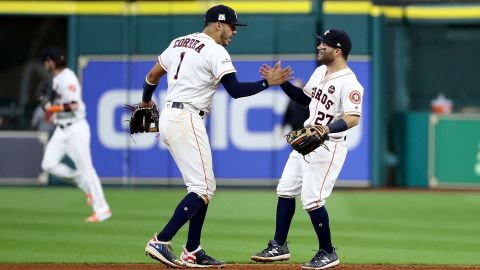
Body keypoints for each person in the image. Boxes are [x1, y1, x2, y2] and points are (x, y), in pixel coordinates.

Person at [141, 4, 292, 269]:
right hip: (187, 118)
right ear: (218, 24)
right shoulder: (215, 50)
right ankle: (161, 240)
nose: (234, 31)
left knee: (202, 186)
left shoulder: (178, 42)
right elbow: (234, 90)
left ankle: (192, 250)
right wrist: (269, 82)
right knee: (202, 188)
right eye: (232, 26)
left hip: (170, 115)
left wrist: (145, 102)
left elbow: (152, 75)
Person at [251, 29, 364, 270]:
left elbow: (353, 118)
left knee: (312, 200)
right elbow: (305, 99)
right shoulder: (320, 71)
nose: (319, 46)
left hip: (328, 145)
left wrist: (326, 129)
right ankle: (279, 246)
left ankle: (328, 252)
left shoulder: (350, 82)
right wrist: (283, 84)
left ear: (338, 50)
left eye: (324, 44)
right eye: (320, 43)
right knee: (285, 190)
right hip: (308, 141)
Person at [40, 47, 112, 222]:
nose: (45, 63)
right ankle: (82, 182)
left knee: (87, 168)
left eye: (47, 60)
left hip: (75, 128)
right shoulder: (56, 79)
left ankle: (102, 209)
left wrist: (52, 108)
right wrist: (48, 104)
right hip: (61, 129)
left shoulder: (68, 77)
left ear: (52, 61)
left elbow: (75, 105)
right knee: (48, 164)